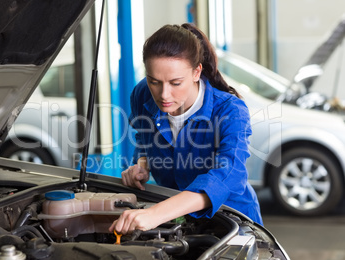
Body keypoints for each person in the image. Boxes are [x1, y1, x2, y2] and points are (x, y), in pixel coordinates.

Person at [109, 23, 263, 235]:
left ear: (196, 72)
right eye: (154, 81)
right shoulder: (142, 94)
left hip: (231, 221)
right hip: (176, 220)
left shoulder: (230, 110)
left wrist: (156, 214)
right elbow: (144, 138)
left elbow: (228, 174)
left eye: (175, 83)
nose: (164, 95)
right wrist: (142, 165)